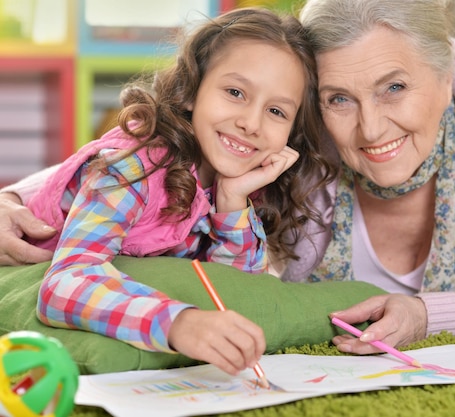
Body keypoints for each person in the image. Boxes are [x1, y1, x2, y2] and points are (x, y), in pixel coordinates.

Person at [0, 0, 455, 356]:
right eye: (339, 99)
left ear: (447, 78)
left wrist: (427, 315)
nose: (369, 128)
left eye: (395, 87)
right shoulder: (274, 132)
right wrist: (8, 199)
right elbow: (99, 171)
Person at [0, 7, 334, 376]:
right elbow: (63, 285)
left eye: (276, 111)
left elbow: (237, 291)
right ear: (191, 91)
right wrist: (178, 323)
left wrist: (232, 200)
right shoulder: (132, 166)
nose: (251, 123)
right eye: (235, 92)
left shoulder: (240, 184)